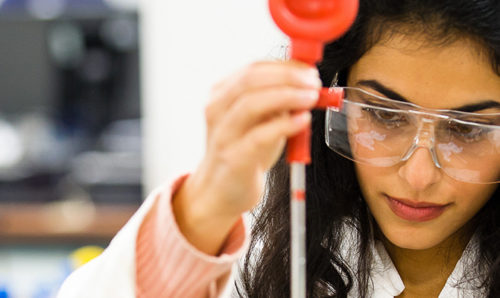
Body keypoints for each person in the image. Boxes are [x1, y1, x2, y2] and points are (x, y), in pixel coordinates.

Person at [57, 0, 500, 297]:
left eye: (470, 130)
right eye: (385, 115)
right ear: (329, 96)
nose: (419, 175)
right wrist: (206, 204)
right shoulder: (254, 262)